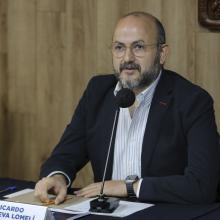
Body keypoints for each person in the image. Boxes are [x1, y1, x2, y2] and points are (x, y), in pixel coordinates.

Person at [34, 11, 220, 205]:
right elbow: (66, 154)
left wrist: (129, 187)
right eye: (119, 48)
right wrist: (57, 177)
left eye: (139, 47)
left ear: (162, 53)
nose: (127, 58)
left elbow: (201, 185)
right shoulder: (98, 91)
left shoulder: (192, 101)